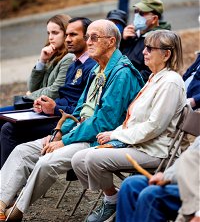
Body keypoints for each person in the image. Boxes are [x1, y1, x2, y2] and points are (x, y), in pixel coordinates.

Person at [0, 19, 144, 221]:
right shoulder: (98, 69)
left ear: (111, 41)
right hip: (78, 131)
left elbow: (104, 122)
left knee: (47, 162)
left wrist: (64, 141)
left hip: (100, 139)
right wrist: (59, 132)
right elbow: (78, 110)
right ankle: (0, 204)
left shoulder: (121, 73)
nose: (89, 42)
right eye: (87, 37)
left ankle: (15, 212)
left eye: (94, 37)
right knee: (22, 151)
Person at [71, 29, 187, 222]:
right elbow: (132, 119)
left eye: (150, 48)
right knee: (78, 159)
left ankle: (112, 203)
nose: (143, 52)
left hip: (156, 151)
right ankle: (114, 197)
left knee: (91, 158)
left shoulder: (171, 82)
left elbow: (154, 127)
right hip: (140, 144)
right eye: (144, 47)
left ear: (166, 54)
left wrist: (116, 136)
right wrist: (113, 132)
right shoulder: (154, 78)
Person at [0, 17, 96, 168]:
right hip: (57, 115)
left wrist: (52, 106)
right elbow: (61, 95)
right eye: (67, 35)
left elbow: (82, 108)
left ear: (87, 37)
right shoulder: (74, 64)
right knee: (5, 120)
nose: (67, 40)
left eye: (72, 35)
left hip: (68, 121)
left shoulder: (90, 66)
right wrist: (45, 104)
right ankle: (8, 178)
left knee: (9, 129)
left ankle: (5, 183)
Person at [116, 136, 200, 222]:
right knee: (131, 184)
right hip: (187, 181)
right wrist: (166, 176)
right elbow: (188, 158)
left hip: (196, 194)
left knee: (151, 194)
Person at [0, 14, 73, 112]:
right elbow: (32, 86)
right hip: (36, 105)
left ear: (66, 33)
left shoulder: (69, 58)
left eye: (55, 33)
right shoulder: (53, 54)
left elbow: (55, 91)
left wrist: (30, 96)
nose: (50, 37)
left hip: (49, 109)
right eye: (49, 33)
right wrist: (42, 61)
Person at [120, 0, 171, 82]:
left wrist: (124, 82)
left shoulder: (160, 41)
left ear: (154, 19)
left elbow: (149, 73)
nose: (137, 15)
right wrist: (122, 40)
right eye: (136, 11)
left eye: (142, 13)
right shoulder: (133, 34)